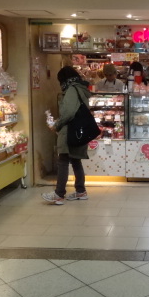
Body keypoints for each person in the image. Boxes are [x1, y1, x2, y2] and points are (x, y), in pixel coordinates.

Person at [42, 66, 91, 205]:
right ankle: (80, 191)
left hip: (70, 129)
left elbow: (68, 112)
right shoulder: (81, 88)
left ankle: (59, 194)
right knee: (75, 160)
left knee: (63, 160)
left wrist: (57, 124)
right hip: (80, 129)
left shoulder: (71, 90)